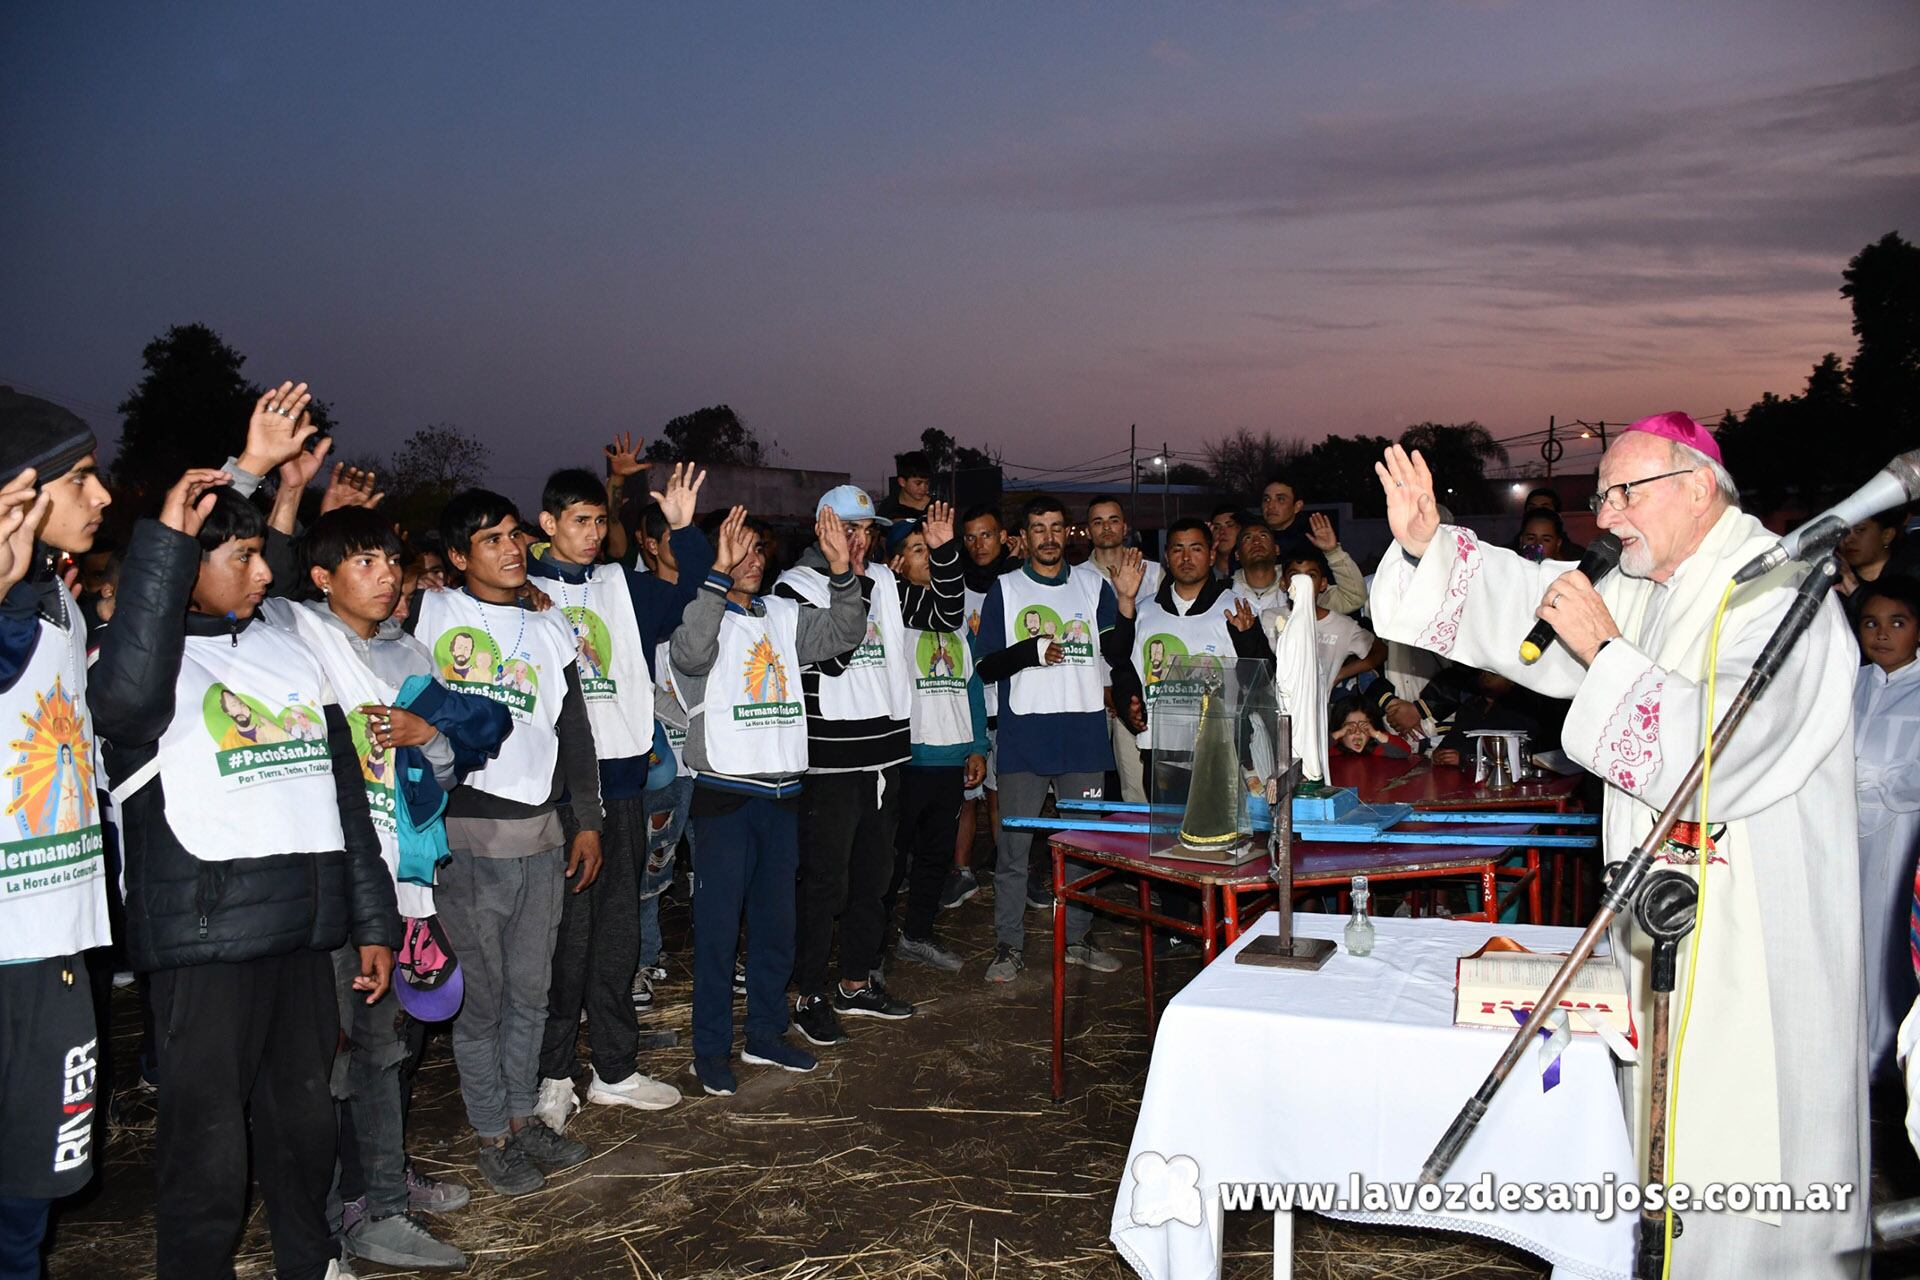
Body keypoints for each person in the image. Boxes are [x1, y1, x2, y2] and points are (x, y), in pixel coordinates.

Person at [1367, 413, 1868, 1276]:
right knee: (1654, 1138)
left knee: (1744, 1151)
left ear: (1698, 487)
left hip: (1755, 935)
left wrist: (1603, 650)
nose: (1605, 518)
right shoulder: (1652, 581)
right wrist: (1429, 548)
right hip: (1661, 924)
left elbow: (1721, 756)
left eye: (1624, 494)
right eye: (1602, 498)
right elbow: (1524, 594)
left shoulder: (1784, 597)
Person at [93, 431, 396, 1280]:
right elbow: (121, 699)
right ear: (183, 564)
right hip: (208, 948)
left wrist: (367, 920)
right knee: (208, 1152)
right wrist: (193, 521)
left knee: (304, 1132)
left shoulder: (288, 648)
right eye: (244, 555)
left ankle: (312, 1261)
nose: (266, 574)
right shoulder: (138, 670)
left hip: (303, 939)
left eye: (265, 554)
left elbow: (346, 802)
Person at [260, 507, 509, 1272]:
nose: (387, 575)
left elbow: (463, 749)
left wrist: (425, 735)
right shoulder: (296, 637)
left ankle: (381, 1191)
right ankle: (345, 1213)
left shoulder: (405, 655)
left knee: (388, 1046)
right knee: (341, 1055)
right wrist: (285, 499)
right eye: (364, 562)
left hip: (400, 878)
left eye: (392, 560)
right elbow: (252, 578)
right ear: (322, 578)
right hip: (331, 884)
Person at [410, 490, 604, 1198]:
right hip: (466, 835)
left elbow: (573, 731)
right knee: (483, 1001)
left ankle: (524, 1122)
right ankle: (491, 1134)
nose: (511, 548)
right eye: (489, 540)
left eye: (514, 534)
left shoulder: (551, 629)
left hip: (542, 834)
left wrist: (587, 819)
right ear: (457, 557)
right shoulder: (429, 612)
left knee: (533, 991)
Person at [526, 464, 710, 1131]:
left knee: (615, 935)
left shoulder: (622, 587)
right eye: (579, 521)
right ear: (547, 525)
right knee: (565, 942)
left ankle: (614, 1069)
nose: (594, 533)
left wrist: (686, 531)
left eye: (600, 521)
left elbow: (691, 589)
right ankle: (551, 1076)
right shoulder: (520, 590)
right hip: (558, 793)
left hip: (625, 778)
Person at [666, 506, 866, 1096]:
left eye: (759, 551)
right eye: (739, 550)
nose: (752, 562)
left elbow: (844, 633)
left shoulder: (782, 613)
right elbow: (689, 657)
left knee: (778, 927)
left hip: (783, 796)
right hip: (727, 796)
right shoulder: (704, 614)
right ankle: (710, 1049)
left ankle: (767, 1033)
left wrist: (840, 571)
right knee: (718, 933)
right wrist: (714, 576)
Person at [773, 487, 964, 1046]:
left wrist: (945, 553)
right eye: (848, 530)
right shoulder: (796, 587)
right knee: (824, 884)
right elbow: (835, 654)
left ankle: (856, 982)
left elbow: (946, 615)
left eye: (866, 532)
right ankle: (807, 991)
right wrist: (840, 574)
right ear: (823, 529)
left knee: (876, 882)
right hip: (831, 763)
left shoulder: (884, 581)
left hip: (885, 756)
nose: (860, 542)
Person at [0, 391, 113, 1280]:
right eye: (81, 477)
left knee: (25, 1207)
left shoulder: (56, 605)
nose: (104, 494)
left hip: (54, 945)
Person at [972, 495, 1138, 981]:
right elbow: (985, 666)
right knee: (1013, 850)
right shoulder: (1004, 589)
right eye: (1038, 528)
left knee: (1084, 847)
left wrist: (1125, 602)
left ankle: (1080, 939)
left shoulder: (1093, 586)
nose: (1048, 537)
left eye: (1056, 527)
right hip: (1025, 735)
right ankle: (1008, 946)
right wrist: (1030, 651)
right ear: (1023, 537)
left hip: (1083, 736)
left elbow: (1118, 652)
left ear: (1069, 533)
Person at [883, 521, 988, 973]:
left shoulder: (958, 623)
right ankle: (869, 952)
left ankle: (917, 935)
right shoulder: (893, 619)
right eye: (917, 550)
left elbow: (973, 687)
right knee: (888, 860)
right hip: (908, 759)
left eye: (932, 550)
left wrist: (977, 745)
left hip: (950, 759)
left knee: (934, 856)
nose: (927, 558)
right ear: (897, 563)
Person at [1117, 519, 1269, 798]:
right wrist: (1130, 708)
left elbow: (1260, 680)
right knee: (1166, 835)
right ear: (1166, 557)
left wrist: (1248, 639)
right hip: (1162, 748)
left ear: (1212, 554)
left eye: (1196, 549)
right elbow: (1123, 668)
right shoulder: (1143, 611)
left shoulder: (1237, 609)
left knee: (1218, 836)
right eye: (1178, 549)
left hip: (1220, 746)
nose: (1186, 558)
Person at [1854, 578, 1920, 1078]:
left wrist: (1875, 784)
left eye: (1897, 623)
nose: (1881, 634)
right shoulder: (1851, 683)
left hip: (1900, 836)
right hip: (1842, 829)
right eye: (1871, 623)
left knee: (1888, 942)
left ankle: (1887, 1057)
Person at [945, 503, 1021, 911]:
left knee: (1001, 794)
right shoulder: (951, 582)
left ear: (1004, 537)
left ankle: (1010, 871)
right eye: (970, 536)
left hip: (1009, 704)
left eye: (987, 534)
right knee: (965, 794)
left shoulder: (1018, 582)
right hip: (965, 704)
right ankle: (962, 873)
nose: (979, 544)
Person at [1084, 496, 1163, 810]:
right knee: (1091, 782)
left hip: (1136, 693)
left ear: (1125, 526)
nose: (1107, 528)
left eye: (1113, 520)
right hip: (1091, 693)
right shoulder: (1076, 577)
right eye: (1098, 521)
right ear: (1088, 530)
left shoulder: (1154, 573)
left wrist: (1125, 691)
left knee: (1138, 781)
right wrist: (1103, 688)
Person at [1282, 547, 1383, 710]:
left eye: (1311, 576)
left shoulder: (1341, 625)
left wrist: (1340, 673)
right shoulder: (1269, 618)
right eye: (1295, 576)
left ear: (1322, 584)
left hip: (1317, 713)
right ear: (1283, 582)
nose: (1302, 583)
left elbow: (1380, 651)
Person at [1230, 521, 1287, 614]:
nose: (1256, 542)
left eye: (1263, 536)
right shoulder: (1226, 591)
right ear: (1237, 555)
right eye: (1248, 538)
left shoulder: (1293, 587)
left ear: (1277, 549)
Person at [876, 450, 933, 523]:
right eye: (918, 483)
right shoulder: (888, 507)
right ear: (902, 482)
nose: (924, 487)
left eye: (927, 483)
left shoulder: (937, 508)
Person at [1206, 505, 1242, 579]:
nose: (1222, 531)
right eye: (1216, 527)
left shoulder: (1252, 574)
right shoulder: (1202, 576)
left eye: (1230, 525)